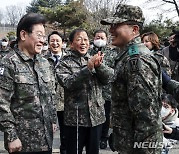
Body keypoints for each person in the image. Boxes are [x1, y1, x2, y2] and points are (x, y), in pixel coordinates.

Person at [101, 4, 163, 154]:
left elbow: (147, 117)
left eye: (116, 25)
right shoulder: (128, 56)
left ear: (134, 30)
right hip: (129, 143)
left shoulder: (136, 60)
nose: (111, 30)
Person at [0, 13, 57, 154]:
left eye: (44, 36)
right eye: (39, 35)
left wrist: (53, 119)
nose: (43, 41)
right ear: (24, 35)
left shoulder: (44, 63)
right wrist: (12, 136)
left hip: (46, 139)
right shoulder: (8, 63)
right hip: (22, 143)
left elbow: (51, 94)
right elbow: (2, 103)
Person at [56, 28, 113, 154]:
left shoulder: (94, 58)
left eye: (86, 39)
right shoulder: (64, 63)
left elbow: (109, 78)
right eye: (79, 39)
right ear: (71, 43)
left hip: (96, 118)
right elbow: (67, 83)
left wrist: (99, 67)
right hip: (76, 119)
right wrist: (87, 69)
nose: (83, 43)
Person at [89, 29, 118, 149]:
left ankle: (103, 137)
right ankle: (92, 138)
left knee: (105, 116)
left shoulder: (112, 53)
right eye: (97, 37)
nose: (99, 39)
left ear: (106, 39)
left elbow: (114, 72)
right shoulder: (88, 52)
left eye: (102, 37)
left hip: (107, 91)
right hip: (91, 90)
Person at [44, 30, 66, 154]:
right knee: (48, 134)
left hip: (66, 103)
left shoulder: (69, 59)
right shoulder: (42, 59)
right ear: (48, 43)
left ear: (62, 43)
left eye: (58, 40)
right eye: (52, 41)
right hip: (49, 103)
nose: (55, 43)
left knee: (66, 135)